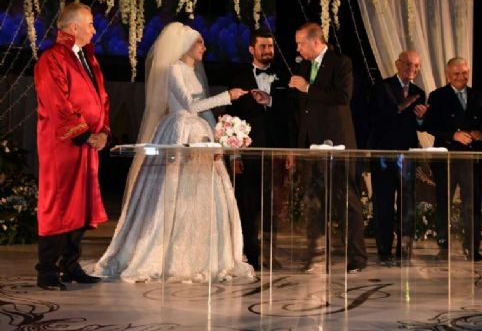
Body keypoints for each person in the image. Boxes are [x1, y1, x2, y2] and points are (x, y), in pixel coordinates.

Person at [94, 22, 253, 283]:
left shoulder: (193, 72)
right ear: (184, 45)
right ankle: (163, 253)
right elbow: (191, 105)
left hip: (198, 133)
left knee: (202, 193)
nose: (204, 47)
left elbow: (203, 111)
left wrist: (218, 139)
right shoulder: (174, 70)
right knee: (172, 190)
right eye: (199, 42)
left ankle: (203, 256)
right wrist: (227, 96)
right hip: (179, 132)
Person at [33, 2, 110, 291]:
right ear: (74, 27)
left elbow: (102, 99)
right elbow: (57, 102)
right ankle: (47, 270)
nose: (94, 30)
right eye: (90, 24)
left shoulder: (88, 59)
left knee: (81, 204)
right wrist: (84, 134)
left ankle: (70, 264)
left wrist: (103, 132)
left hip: (86, 144)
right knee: (59, 203)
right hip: (62, 145)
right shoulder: (52, 58)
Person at [288, 22, 367, 273]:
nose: (298, 48)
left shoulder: (341, 62)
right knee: (315, 201)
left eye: (300, 43)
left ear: (315, 41)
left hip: (337, 141)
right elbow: (301, 107)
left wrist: (308, 88)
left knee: (346, 200)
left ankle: (356, 257)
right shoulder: (304, 66)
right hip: (311, 144)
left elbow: (342, 96)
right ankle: (316, 255)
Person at [228, 29, 288, 270]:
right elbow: (231, 119)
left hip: (275, 150)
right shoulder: (239, 78)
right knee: (248, 205)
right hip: (249, 153)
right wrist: (235, 155)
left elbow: (291, 114)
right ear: (251, 49)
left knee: (273, 206)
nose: (268, 50)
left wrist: (289, 151)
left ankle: (270, 254)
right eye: (263, 46)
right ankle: (252, 255)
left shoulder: (283, 76)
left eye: (270, 46)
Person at [424, 57, 482, 261]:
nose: (461, 77)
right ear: (448, 75)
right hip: (446, 157)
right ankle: (444, 246)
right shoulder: (438, 96)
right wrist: (453, 135)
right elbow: (430, 125)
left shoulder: (478, 96)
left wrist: (481, 134)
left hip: (471, 159)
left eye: (465, 73)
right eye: (456, 73)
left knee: (471, 204)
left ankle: (472, 247)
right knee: (443, 202)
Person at [366, 50, 427, 266]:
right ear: (397, 64)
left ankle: (404, 247)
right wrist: (400, 107)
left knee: (407, 203)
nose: (412, 69)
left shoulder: (419, 92)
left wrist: (421, 119)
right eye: (408, 64)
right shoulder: (382, 87)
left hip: (407, 155)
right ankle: (384, 248)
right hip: (383, 153)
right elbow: (373, 117)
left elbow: (421, 127)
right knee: (383, 202)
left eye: (416, 66)